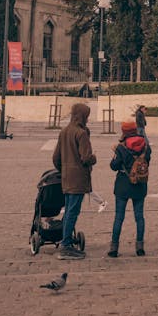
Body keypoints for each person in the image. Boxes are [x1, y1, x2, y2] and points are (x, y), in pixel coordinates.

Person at [53, 103, 95, 260]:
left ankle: (66, 241)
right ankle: (66, 245)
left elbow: (55, 158)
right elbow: (86, 157)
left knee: (69, 210)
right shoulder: (81, 133)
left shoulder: (64, 132)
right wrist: (94, 158)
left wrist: (64, 170)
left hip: (66, 178)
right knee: (72, 212)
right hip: (78, 179)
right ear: (83, 116)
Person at [107, 120, 150, 257]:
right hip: (140, 184)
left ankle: (114, 248)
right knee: (139, 217)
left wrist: (115, 152)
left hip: (123, 185)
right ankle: (140, 247)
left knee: (119, 217)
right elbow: (147, 162)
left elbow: (114, 166)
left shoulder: (121, 147)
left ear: (124, 132)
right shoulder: (146, 145)